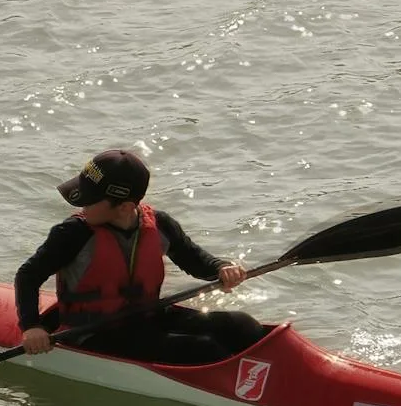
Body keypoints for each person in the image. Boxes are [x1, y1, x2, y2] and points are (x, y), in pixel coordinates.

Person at [15, 149, 268, 365]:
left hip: (146, 317)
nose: (82, 206)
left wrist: (222, 268)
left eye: (90, 200)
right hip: (92, 332)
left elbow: (193, 259)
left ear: (125, 206)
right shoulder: (71, 234)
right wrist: (31, 326)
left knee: (242, 325)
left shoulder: (160, 225)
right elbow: (28, 276)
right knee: (203, 349)